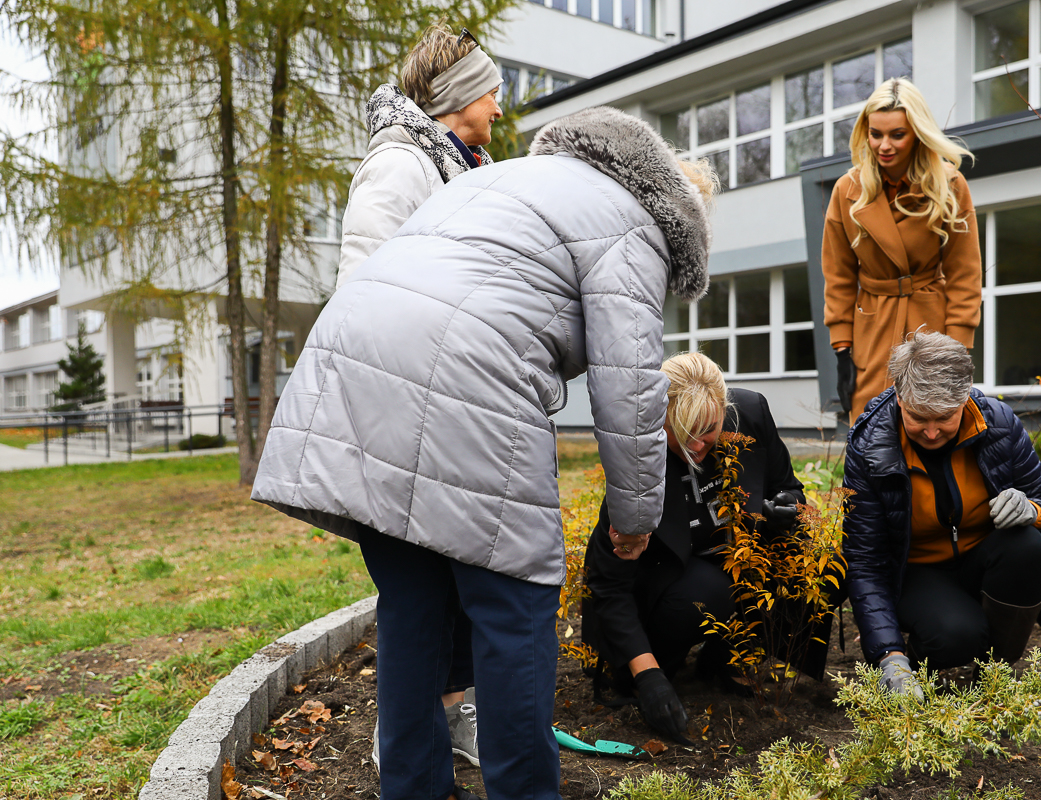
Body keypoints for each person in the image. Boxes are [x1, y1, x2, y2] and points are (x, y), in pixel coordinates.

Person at [252, 106, 715, 800]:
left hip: (355, 356)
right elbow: (630, 387)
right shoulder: (635, 223)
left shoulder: (510, 179)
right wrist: (635, 517)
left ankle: (412, 790)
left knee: (413, 607)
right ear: (682, 212)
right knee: (516, 608)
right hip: (469, 373)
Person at [335, 22, 505, 768]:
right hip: (408, 415)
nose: (501, 105)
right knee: (416, 597)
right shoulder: (401, 166)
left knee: (464, 585)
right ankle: (405, 743)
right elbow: (366, 294)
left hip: (459, 411)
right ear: (461, 95)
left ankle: (448, 719)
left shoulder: (466, 166)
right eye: (493, 89)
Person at [583, 352, 844, 740]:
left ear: (725, 409)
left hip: (729, 568)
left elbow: (787, 488)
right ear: (660, 420)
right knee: (711, 591)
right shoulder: (638, 459)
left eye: (709, 428)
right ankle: (659, 668)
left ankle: (721, 660)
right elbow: (608, 582)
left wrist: (783, 513)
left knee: (831, 571)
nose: (697, 444)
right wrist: (648, 676)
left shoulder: (750, 414)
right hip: (660, 594)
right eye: (684, 431)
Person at [841, 332, 1041, 700]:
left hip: (984, 560)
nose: (931, 432)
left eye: (944, 417)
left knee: (1027, 545)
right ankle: (915, 669)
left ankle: (994, 679)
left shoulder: (1000, 425)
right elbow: (865, 561)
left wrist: (1033, 511)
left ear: (964, 397)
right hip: (916, 571)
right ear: (899, 398)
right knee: (957, 637)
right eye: (917, 417)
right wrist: (889, 656)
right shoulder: (868, 446)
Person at [821, 78, 981, 421]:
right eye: (876, 133)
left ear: (918, 133)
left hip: (931, 323)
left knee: (931, 423)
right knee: (869, 429)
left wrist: (958, 348)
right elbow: (838, 277)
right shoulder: (847, 190)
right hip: (871, 327)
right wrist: (841, 350)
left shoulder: (949, 185)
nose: (884, 145)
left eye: (897, 134)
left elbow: (964, 274)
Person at [336, 23, 503, 289]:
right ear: (459, 94)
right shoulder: (399, 164)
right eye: (491, 95)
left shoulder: (457, 169)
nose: (498, 110)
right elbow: (361, 289)